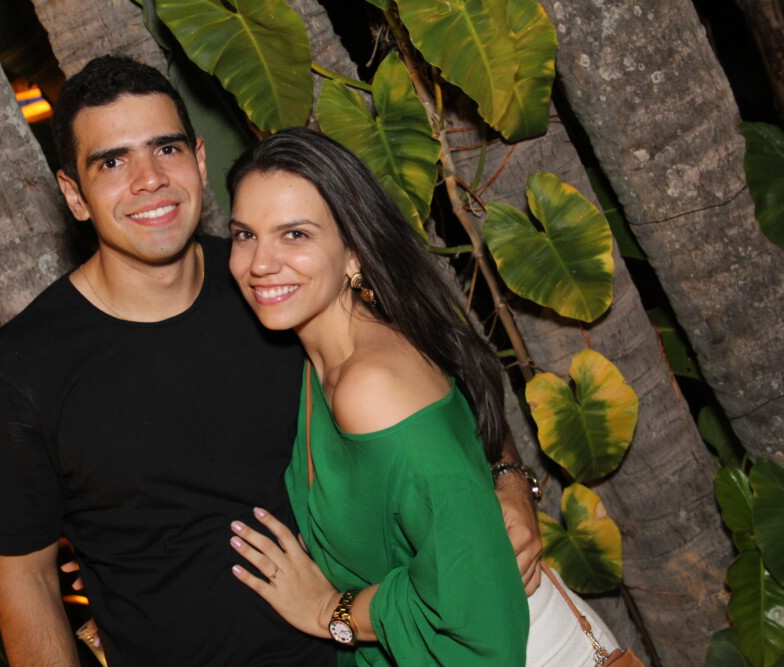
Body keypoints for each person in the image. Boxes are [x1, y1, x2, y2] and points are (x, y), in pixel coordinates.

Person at [0, 55, 541, 666]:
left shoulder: (280, 287)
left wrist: (510, 485)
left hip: (360, 652)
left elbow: (446, 381)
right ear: (73, 195)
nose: (148, 179)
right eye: (112, 162)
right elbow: (24, 579)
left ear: (199, 161)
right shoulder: (23, 369)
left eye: (166, 149)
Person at [226, 127, 618, 665]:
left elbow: (469, 603)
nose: (260, 263)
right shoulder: (334, 350)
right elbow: (468, 412)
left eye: (295, 235)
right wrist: (509, 477)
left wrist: (327, 611)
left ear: (353, 252)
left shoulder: (372, 387)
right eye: (245, 234)